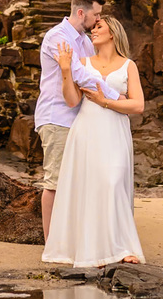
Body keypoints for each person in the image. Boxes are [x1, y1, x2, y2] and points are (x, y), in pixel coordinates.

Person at [42, 15, 146, 267]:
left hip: (114, 129)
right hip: (87, 129)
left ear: (113, 33)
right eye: (93, 27)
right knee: (91, 186)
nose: (93, 31)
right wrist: (66, 69)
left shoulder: (128, 65)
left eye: (99, 26)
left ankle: (121, 247)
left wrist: (106, 102)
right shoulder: (83, 62)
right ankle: (92, 250)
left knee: (113, 182)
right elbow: (72, 101)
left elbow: (138, 105)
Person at [34, 0, 119, 240]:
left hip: (78, 119)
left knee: (76, 182)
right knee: (55, 182)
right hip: (57, 117)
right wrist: (116, 98)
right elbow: (80, 76)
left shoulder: (83, 40)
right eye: (96, 14)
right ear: (81, 12)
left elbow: (94, 72)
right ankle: (51, 242)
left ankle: (71, 238)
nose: (97, 19)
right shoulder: (58, 37)